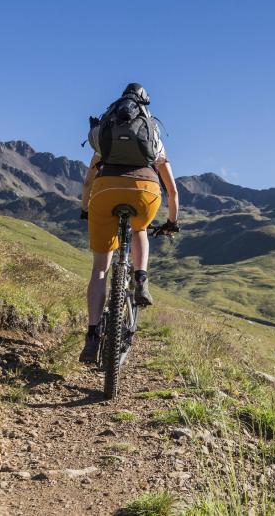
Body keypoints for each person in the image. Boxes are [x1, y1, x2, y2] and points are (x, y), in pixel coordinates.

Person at [79, 83, 179, 362]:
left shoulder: (105, 132)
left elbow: (89, 179)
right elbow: (172, 190)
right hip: (145, 192)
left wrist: (86, 208)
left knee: (100, 269)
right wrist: (171, 222)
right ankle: (141, 279)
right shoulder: (152, 133)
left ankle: (92, 334)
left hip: (105, 191)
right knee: (140, 228)